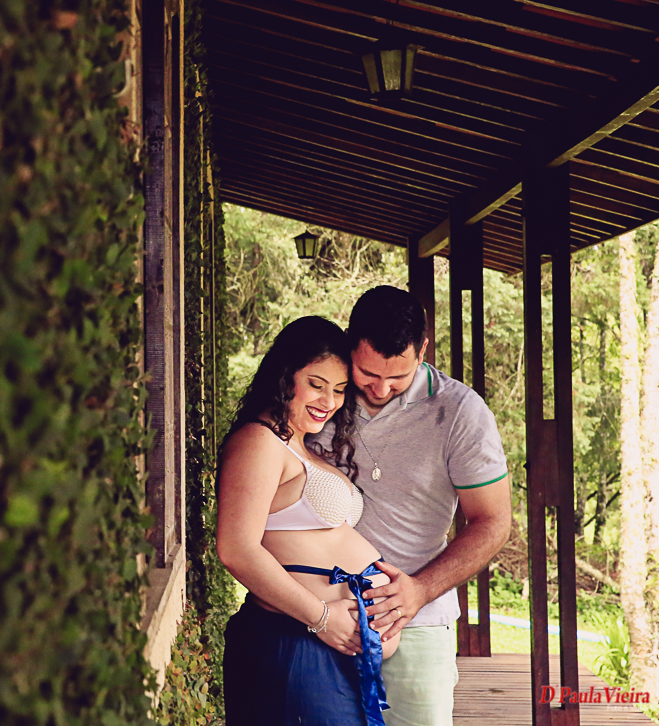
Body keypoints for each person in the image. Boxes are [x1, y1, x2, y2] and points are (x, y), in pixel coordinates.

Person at [306, 286, 512, 726]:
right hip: (315, 619)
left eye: (398, 376)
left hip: (415, 625)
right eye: (367, 373)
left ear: (423, 350)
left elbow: (493, 522)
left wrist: (419, 590)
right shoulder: (319, 397)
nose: (381, 388)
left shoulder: (461, 412)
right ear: (350, 346)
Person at [217, 316, 399, 726]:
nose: (329, 400)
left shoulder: (299, 445)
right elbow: (236, 549)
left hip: (326, 647)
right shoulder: (259, 441)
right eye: (316, 384)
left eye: (340, 389)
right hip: (295, 639)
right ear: (285, 377)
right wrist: (323, 618)